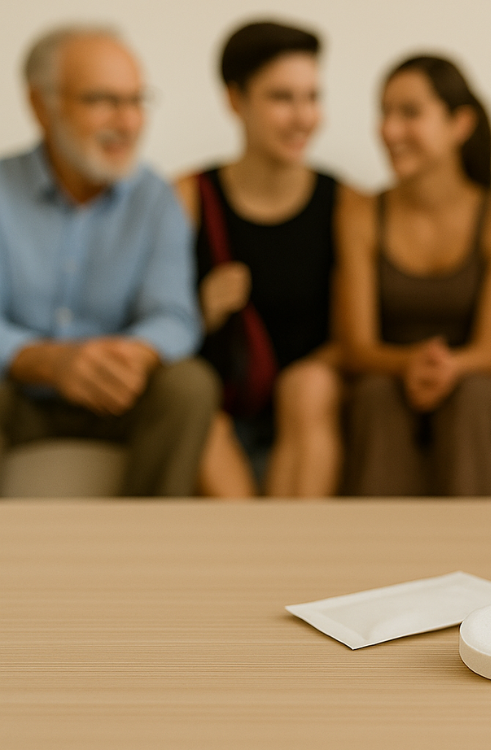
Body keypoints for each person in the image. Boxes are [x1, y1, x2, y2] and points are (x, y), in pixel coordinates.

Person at [0, 25, 216, 496]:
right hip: (18, 394)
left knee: (189, 386)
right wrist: (45, 361)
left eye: (137, 101)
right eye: (103, 100)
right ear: (41, 105)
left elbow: (175, 316)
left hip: (119, 396)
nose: (127, 121)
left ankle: (147, 551)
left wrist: (126, 356)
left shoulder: (157, 199)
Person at [174, 21, 351, 498]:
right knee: (200, 418)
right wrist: (199, 311)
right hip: (221, 415)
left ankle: (294, 561)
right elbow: (148, 327)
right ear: (235, 100)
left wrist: (305, 377)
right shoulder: (188, 198)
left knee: (309, 385)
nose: (303, 117)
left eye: (312, 97)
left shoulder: (345, 204)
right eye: (282, 98)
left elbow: (354, 336)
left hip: (307, 413)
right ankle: (255, 562)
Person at [336, 55, 491, 496]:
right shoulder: (361, 215)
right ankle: (377, 551)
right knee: (376, 396)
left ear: (460, 123)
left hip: (472, 379)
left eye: (410, 113)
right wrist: (409, 364)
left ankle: (479, 550)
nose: (389, 130)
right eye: (384, 113)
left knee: (474, 395)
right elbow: (357, 346)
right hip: (385, 377)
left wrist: (447, 367)